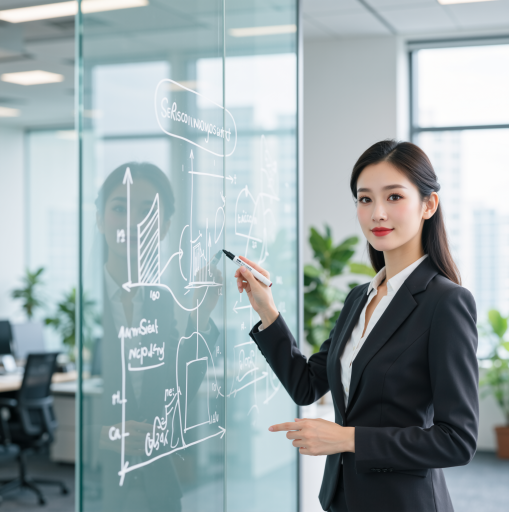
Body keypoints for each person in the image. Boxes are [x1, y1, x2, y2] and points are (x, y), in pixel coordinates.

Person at [234, 140, 479, 512]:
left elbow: (456, 440)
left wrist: (348, 439)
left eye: (394, 197)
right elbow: (307, 385)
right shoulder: (359, 298)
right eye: (365, 200)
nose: (377, 213)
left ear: (428, 205)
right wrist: (268, 311)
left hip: (403, 503)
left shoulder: (446, 303)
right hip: (342, 499)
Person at [92, 162, 222, 511]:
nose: (132, 222)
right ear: (100, 219)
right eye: (119, 208)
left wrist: (200, 316)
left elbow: (176, 392)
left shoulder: (159, 300)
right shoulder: (85, 301)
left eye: (148, 211)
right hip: (95, 488)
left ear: (163, 228)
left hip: (158, 489)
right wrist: (100, 436)